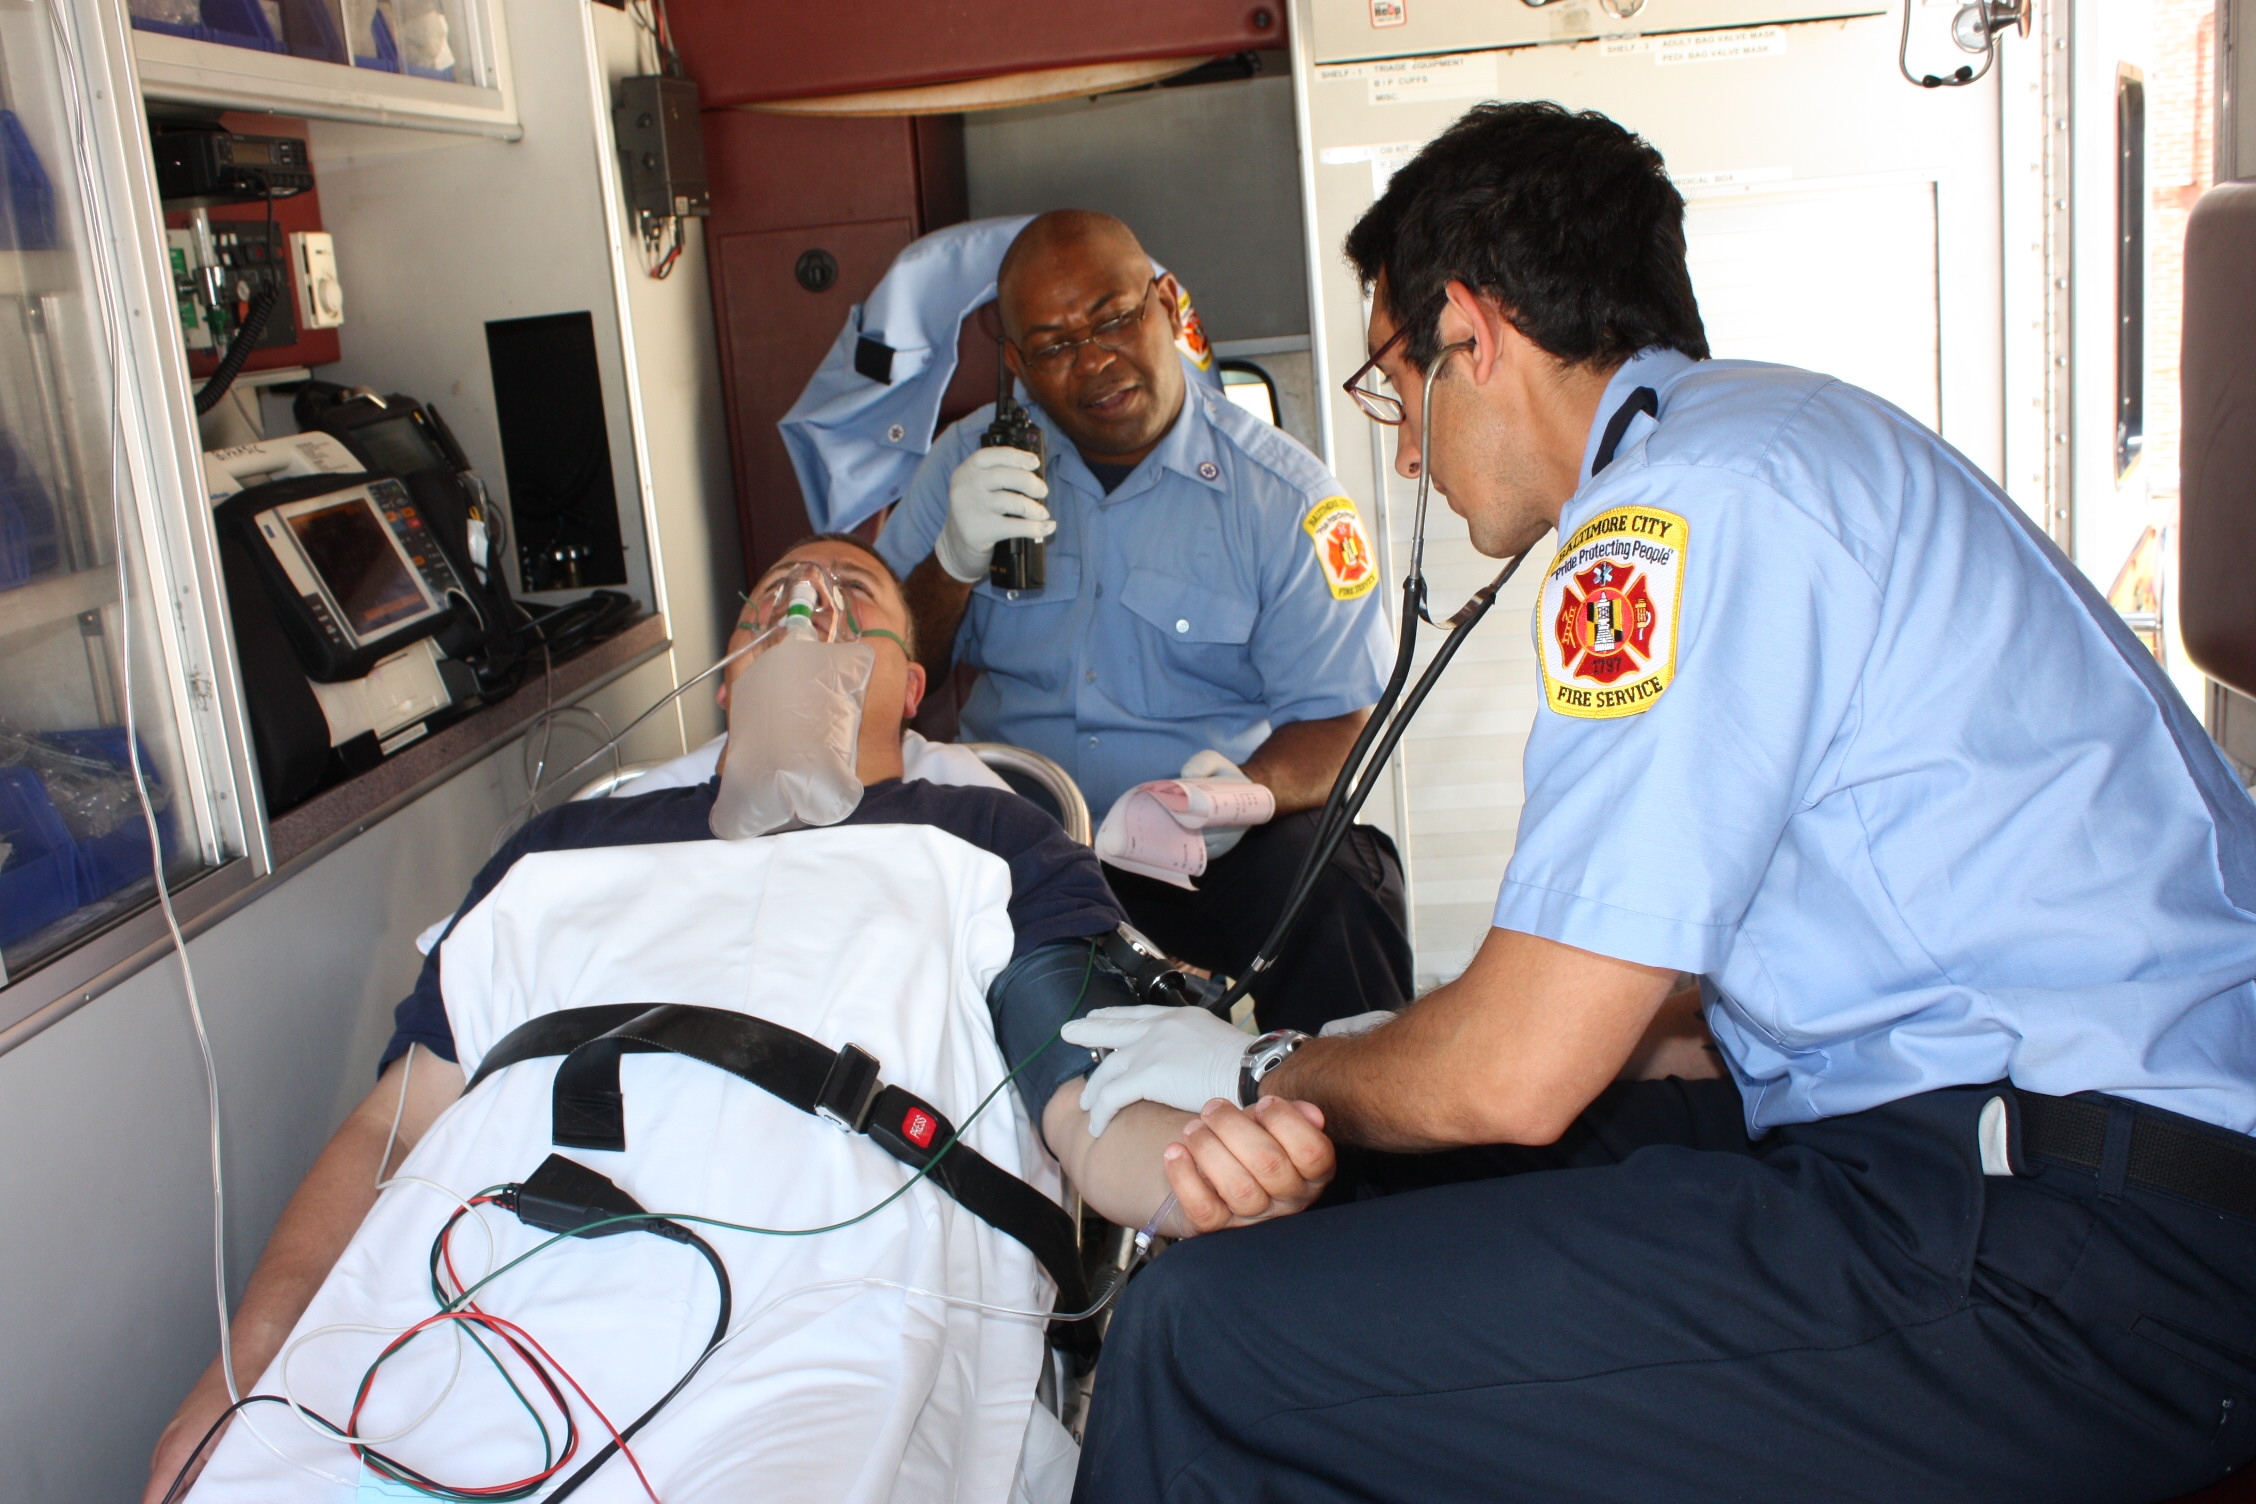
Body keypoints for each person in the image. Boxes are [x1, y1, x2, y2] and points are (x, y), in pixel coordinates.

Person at [1062, 103, 2256, 1503]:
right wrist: (1374, 1053)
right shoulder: (1766, 438)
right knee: (1363, 1181)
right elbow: (1680, 1024)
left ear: (1470, 332)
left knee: (1205, 1339)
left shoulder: (1675, 510)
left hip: (2078, 1246)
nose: (1406, 459)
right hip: (2043, 1168)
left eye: (1396, 392)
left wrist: (1267, 1068)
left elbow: (1518, 1077)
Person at [143, 535, 1336, 1502]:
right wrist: (246, 1370)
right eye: (774, 600)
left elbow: (1086, 1099)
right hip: (484, 1276)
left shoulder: (984, 835)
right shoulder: (559, 847)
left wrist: (1200, 1168)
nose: (809, 608)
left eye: (854, 598)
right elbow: (391, 1129)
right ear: (726, 680)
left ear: (911, 689)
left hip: (819, 1301)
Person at [875, 210, 1408, 1038]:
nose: (1093, 360)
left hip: (1197, 851)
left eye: (1114, 319)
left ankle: (1352, 1112)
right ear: (1016, 365)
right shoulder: (967, 464)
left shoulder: (1285, 499)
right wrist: (950, 562)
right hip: (1013, 831)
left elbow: (1343, 721)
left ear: (1165, 304)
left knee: (1339, 883)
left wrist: (1232, 797)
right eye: (1053, 345)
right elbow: (885, 675)